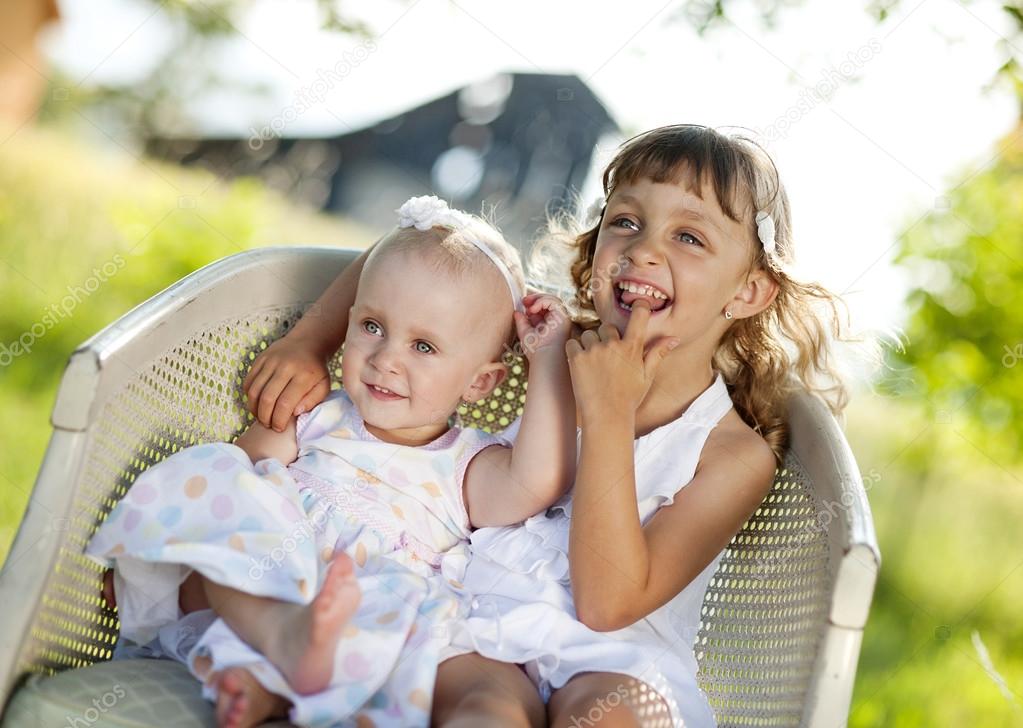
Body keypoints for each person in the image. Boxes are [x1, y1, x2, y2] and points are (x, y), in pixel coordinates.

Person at [244, 125, 853, 728]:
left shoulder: (732, 454)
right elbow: (413, 255)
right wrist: (307, 343)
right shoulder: (550, 342)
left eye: (688, 236)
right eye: (626, 222)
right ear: (596, 251)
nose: (642, 249)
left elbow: (607, 604)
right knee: (487, 713)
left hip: (612, 660)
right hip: (469, 616)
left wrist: (609, 413)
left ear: (747, 291)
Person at [86, 195, 577, 728]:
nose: (387, 358)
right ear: (347, 322)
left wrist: (548, 358)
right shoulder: (316, 415)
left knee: (450, 661)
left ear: (480, 383)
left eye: (424, 347)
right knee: (218, 487)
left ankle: (272, 684)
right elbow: (236, 480)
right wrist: (171, 548)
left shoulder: (467, 464)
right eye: (372, 326)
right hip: (272, 581)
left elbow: (537, 481)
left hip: (373, 606)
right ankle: (279, 647)